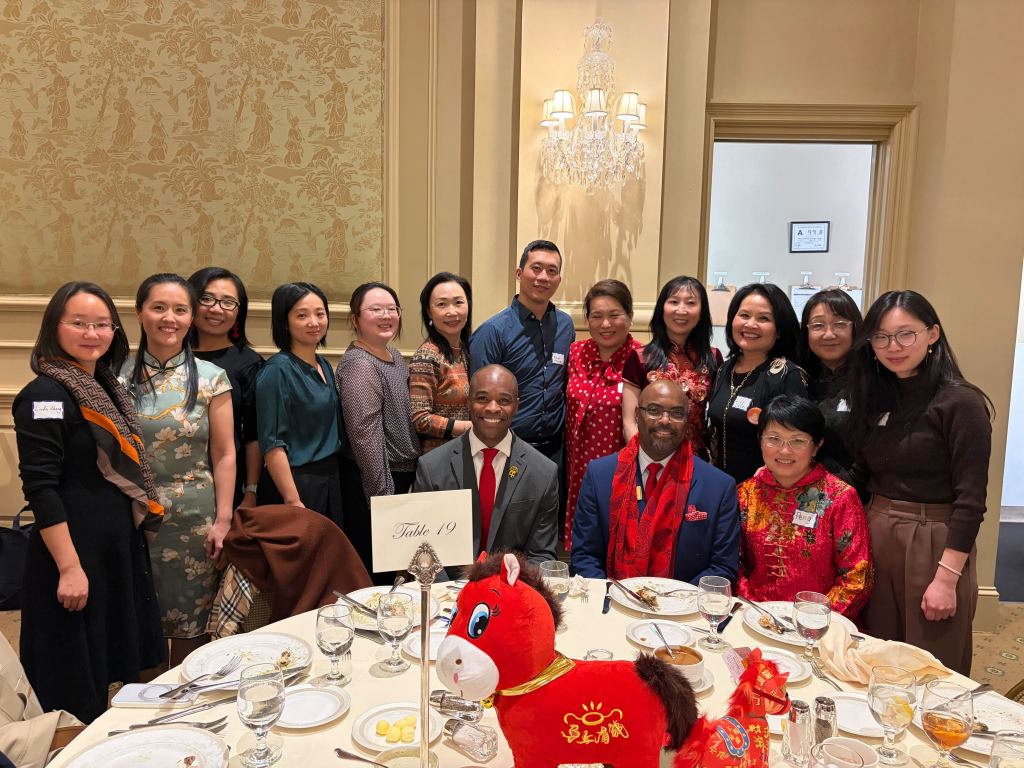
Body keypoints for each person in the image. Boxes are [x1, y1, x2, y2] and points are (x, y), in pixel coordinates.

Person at [13, 282, 164, 722]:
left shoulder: (104, 386)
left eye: (102, 324)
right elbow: (41, 489)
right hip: (73, 551)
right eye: (79, 323)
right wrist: (69, 568)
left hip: (111, 548)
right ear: (54, 327)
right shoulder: (45, 396)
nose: (92, 333)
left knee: (109, 659)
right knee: (74, 674)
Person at [847, 290, 992, 675]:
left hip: (934, 542)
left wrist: (947, 579)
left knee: (931, 665)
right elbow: (860, 475)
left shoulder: (961, 403)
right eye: (881, 337)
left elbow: (971, 500)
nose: (893, 346)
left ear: (933, 334)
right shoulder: (876, 397)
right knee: (877, 657)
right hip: (877, 533)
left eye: (905, 334)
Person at [120, 274, 235, 663]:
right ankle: (144, 698)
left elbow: (224, 453)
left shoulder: (212, 378)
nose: (169, 318)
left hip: (195, 519)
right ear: (140, 313)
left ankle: (188, 693)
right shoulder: (114, 377)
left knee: (193, 623)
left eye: (180, 310)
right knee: (139, 622)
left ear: (191, 317)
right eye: (158, 307)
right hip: (131, 516)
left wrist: (224, 519)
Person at [571, 380, 740, 584]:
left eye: (677, 413)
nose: (665, 420)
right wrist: (610, 595)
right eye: (654, 410)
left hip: (686, 601)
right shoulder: (600, 475)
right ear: (636, 414)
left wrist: (679, 599)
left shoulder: (719, 487)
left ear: (687, 421)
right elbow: (585, 555)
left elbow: (722, 567)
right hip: (612, 599)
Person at [737, 395, 873, 619]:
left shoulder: (839, 497)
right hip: (755, 616)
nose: (784, 451)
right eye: (774, 439)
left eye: (797, 441)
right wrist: (753, 610)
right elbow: (734, 562)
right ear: (760, 441)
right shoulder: (745, 494)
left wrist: (812, 620)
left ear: (816, 446)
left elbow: (857, 578)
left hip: (817, 624)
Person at [413, 365, 558, 563]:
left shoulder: (544, 473)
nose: (492, 408)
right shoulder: (431, 468)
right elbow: (423, 548)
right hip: (450, 581)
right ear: (468, 402)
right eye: (482, 398)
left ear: (516, 406)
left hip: (512, 580)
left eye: (504, 400)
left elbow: (541, 555)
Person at [336, 282, 420, 580]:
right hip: (374, 483)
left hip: (400, 479)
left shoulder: (393, 355)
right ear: (356, 318)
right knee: (379, 579)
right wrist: (383, 503)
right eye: (375, 309)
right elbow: (365, 439)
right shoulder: (360, 365)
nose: (386, 316)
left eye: (392, 309)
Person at [470, 240, 575, 461]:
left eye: (552, 271)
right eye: (536, 268)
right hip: (508, 448)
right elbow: (478, 398)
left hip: (556, 449)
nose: (543, 277)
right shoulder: (493, 331)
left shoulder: (565, 326)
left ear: (559, 279)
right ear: (519, 273)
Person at [255, 282, 345, 526]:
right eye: (302, 315)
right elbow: (273, 444)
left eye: (320, 313)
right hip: (296, 484)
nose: (314, 322)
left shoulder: (323, 364)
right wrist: (293, 500)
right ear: (285, 322)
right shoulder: (276, 371)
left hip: (330, 478)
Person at [563, 279, 643, 550]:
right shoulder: (575, 353)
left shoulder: (642, 358)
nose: (605, 324)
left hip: (621, 467)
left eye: (614, 315)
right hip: (576, 468)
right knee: (582, 545)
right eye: (597, 316)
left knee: (618, 542)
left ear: (630, 317)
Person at [707, 283, 807, 485]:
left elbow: (797, 443)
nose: (751, 324)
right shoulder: (724, 369)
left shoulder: (787, 375)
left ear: (779, 330)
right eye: (744, 315)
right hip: (721, 486)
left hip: (766, 490)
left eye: (763, 318)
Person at [621, 276, 721, 459]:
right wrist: (646, 462)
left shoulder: (713, 358)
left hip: (696, 458)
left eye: (691, 303)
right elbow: (629, 421)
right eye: (674, 302)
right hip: (650, 457)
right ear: (662, 309)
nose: (681, 310)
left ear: (702, 312)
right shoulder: (640, 357)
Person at [188, 267, 263, 508]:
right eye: (207, 298)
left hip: (227, 482)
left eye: (228, 302)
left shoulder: (249, 363)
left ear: (239, 311)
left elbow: (253, 435)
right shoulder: (170, 355)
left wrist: (251, 490)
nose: (216, 309)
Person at [796, 288, 863, 484]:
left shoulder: (871, 380)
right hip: (801, 488)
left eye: (839, 324)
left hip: (853, 490)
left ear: (855, 328)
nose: (828, 334)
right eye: (818, 325)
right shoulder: (799, 378)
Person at [409, 272, 472, 453]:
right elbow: (420, 419)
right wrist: (471, 427)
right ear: (429, 311)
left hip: (466, 452)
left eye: (458, 302)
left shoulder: (466, 350)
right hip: (441, 457)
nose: (452, 312)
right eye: (441, 304)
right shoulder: (427, 356)